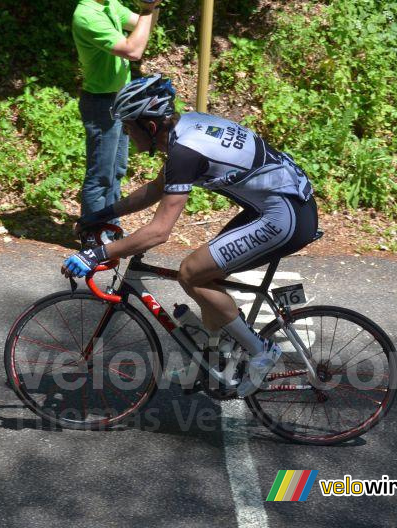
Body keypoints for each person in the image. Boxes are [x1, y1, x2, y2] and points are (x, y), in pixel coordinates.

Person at [63, 75, 319, 397]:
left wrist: (97, 254)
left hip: (284, 215)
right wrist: (100, 215)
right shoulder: (187, 127)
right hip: (280, 205)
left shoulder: (185, 152)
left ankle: (261, 351)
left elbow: (159, 232)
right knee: (206, 275)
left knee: (191, 273)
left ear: (150, 126)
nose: (127, 134)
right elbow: (157, 190)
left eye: (129, 127)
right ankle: (217, 356)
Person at [72, 0, 162, 227]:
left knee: (117, 170)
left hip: (119, 99)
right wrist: (147, 9)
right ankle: (92, 235)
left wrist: (153, 6)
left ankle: (109, 229)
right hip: (101, 104)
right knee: (101, 174)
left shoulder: (109, 4)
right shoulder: (86, 15)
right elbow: (133, 50)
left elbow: (144, 26)